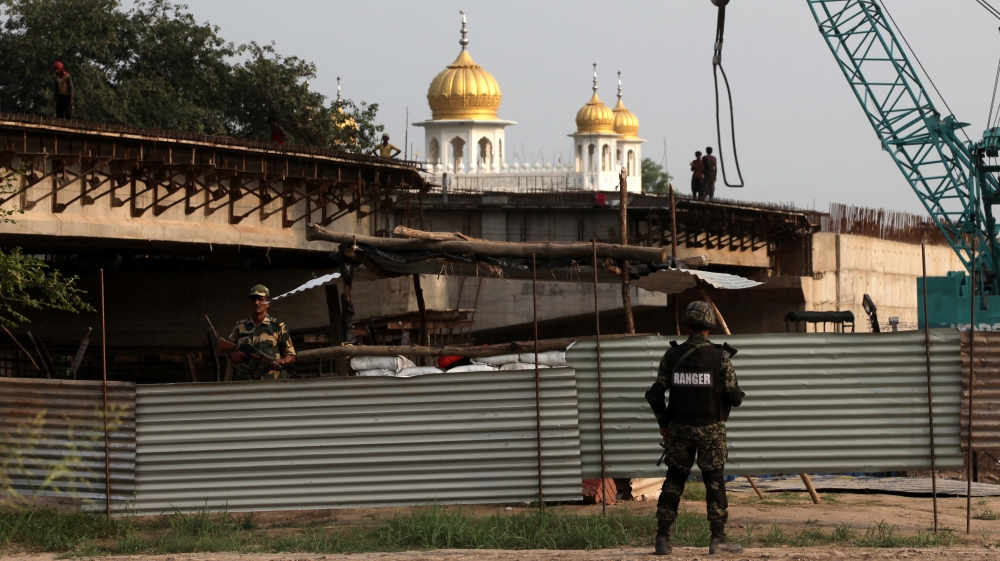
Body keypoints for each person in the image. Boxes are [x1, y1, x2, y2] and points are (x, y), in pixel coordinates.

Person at [645, 301, 745, 556]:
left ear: (687, 325)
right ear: (709, 327)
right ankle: (718, 539)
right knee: (714, 482)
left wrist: (663, 424)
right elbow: (735, 398)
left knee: (674, 480)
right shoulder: (720, 357)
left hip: (679, 431)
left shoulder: (672, 356)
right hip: (711, 432)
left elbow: (655, 395)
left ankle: (663, 539)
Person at [225, 285, 296, 381]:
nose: (256, 302)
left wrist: (280, 362)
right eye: (253, 299)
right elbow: (227, 348)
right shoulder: (240, 326)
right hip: (245, 382)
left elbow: (291, 356)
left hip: (271, 382)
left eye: (260, 299)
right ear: (250, 303)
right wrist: (232, 354)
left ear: (268, 303)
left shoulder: (278, 326)